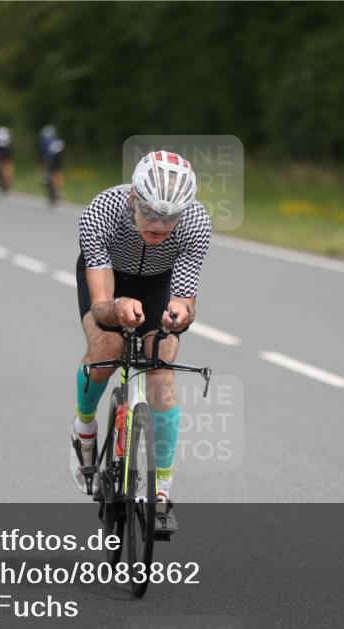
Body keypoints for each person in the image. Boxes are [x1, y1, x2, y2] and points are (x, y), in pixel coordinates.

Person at [70, 151, 210, 534]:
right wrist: (116, 308)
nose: (159, 225)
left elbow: (184, 298)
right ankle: (84, 429)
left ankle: (161, 492)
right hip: (107, 277)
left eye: (170, 218)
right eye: (150, 213)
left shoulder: (196, 221)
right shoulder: (102, 211)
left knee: (161, 367)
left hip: (157, 283)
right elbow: (101, 306)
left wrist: (178, 315)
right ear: (134, 197)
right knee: (109, 348)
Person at [36, 125, 65, 204]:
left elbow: (41, 155)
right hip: (57, 159)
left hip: (48, 158)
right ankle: (58, 191)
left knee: (47, 174)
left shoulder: (43, 141)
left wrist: (42, 168)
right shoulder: (58, 141)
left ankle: (46, 178)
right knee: (57, 173)